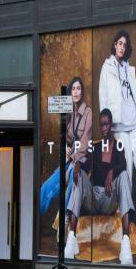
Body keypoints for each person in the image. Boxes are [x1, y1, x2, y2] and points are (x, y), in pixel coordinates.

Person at [64, 108, 136, 265]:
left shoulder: (118, 147)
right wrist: (77, 166)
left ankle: (125, 242)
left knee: (123, 175)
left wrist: (112, 171)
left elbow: (123, 164)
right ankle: (71, 237)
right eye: (101, 125)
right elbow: (87, 165)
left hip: (109, 199)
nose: (104, 129)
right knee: (79, 176)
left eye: (107, 124)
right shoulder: (95, 148)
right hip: (94, 199)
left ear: (111, 125)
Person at [99, 30, 136, 209]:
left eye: (124, 44)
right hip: (119, 127)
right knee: (126, 168)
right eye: (119, 43)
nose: (122, 47)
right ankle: (125, 206)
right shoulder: (107, 68)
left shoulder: (129, 68)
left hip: (135, 123)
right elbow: (103, 98)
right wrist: (107, 128)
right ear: (114, 44)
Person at [39, 76, 92, 247]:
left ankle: (62, 236)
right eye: (73, 89)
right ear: (70, 92)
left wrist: (73, 157)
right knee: (46, 188)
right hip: (69, 162)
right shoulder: (68, 113)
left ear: (82, 92)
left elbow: (84, 144)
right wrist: (65, 149)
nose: (76, 92)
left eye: (79, 88)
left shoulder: (88, 113)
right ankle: (34, 227)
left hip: (81, 164)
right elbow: (65, 140)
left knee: (69, 190)